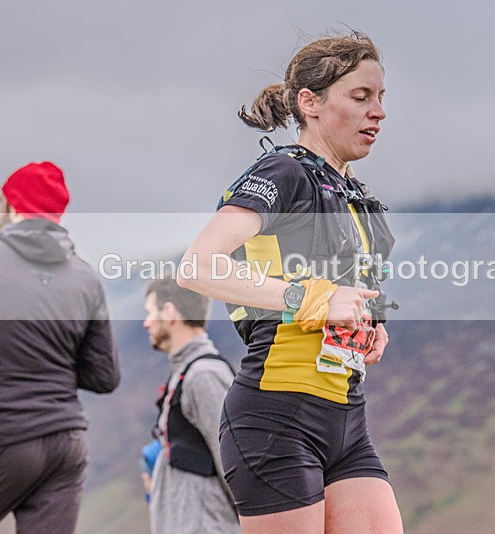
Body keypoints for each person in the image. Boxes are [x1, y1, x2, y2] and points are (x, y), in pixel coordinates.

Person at [177, 31, 403, 533]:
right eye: (361, 97)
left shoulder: (357, 195)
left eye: (382, 98)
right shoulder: (283, 172)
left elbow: (341, 289)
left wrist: (370, 324)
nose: (379, 112)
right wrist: (314, 299)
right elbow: (198, 266)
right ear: (310, 103)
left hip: (347, 417)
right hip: (275, 417)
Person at [0, 162, 120, 534]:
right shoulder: (85, 276)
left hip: (2, 435)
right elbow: (104, 376)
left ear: (12, 205)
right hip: (67, 446)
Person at [142, 278, 240, 534]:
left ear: (170, 312)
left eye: (151, 312)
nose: (147, 322)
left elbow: (231, 462)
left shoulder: (204, 375)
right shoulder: (187, 371)